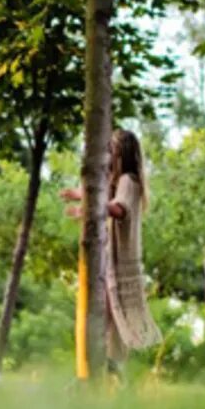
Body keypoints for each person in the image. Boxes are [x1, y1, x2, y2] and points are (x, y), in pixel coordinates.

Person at [61, 129, 162, 374]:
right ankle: (107, 372)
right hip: (114, 262)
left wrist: (87, 202)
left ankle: (106, 372)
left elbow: (118, 210)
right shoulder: (121, 183)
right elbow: (107, 205)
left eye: (112, 148)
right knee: (109, 320)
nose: (108, 153)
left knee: (109, 319)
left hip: (120, 263)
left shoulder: (129, 180)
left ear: (121, 152)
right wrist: (84, 204)